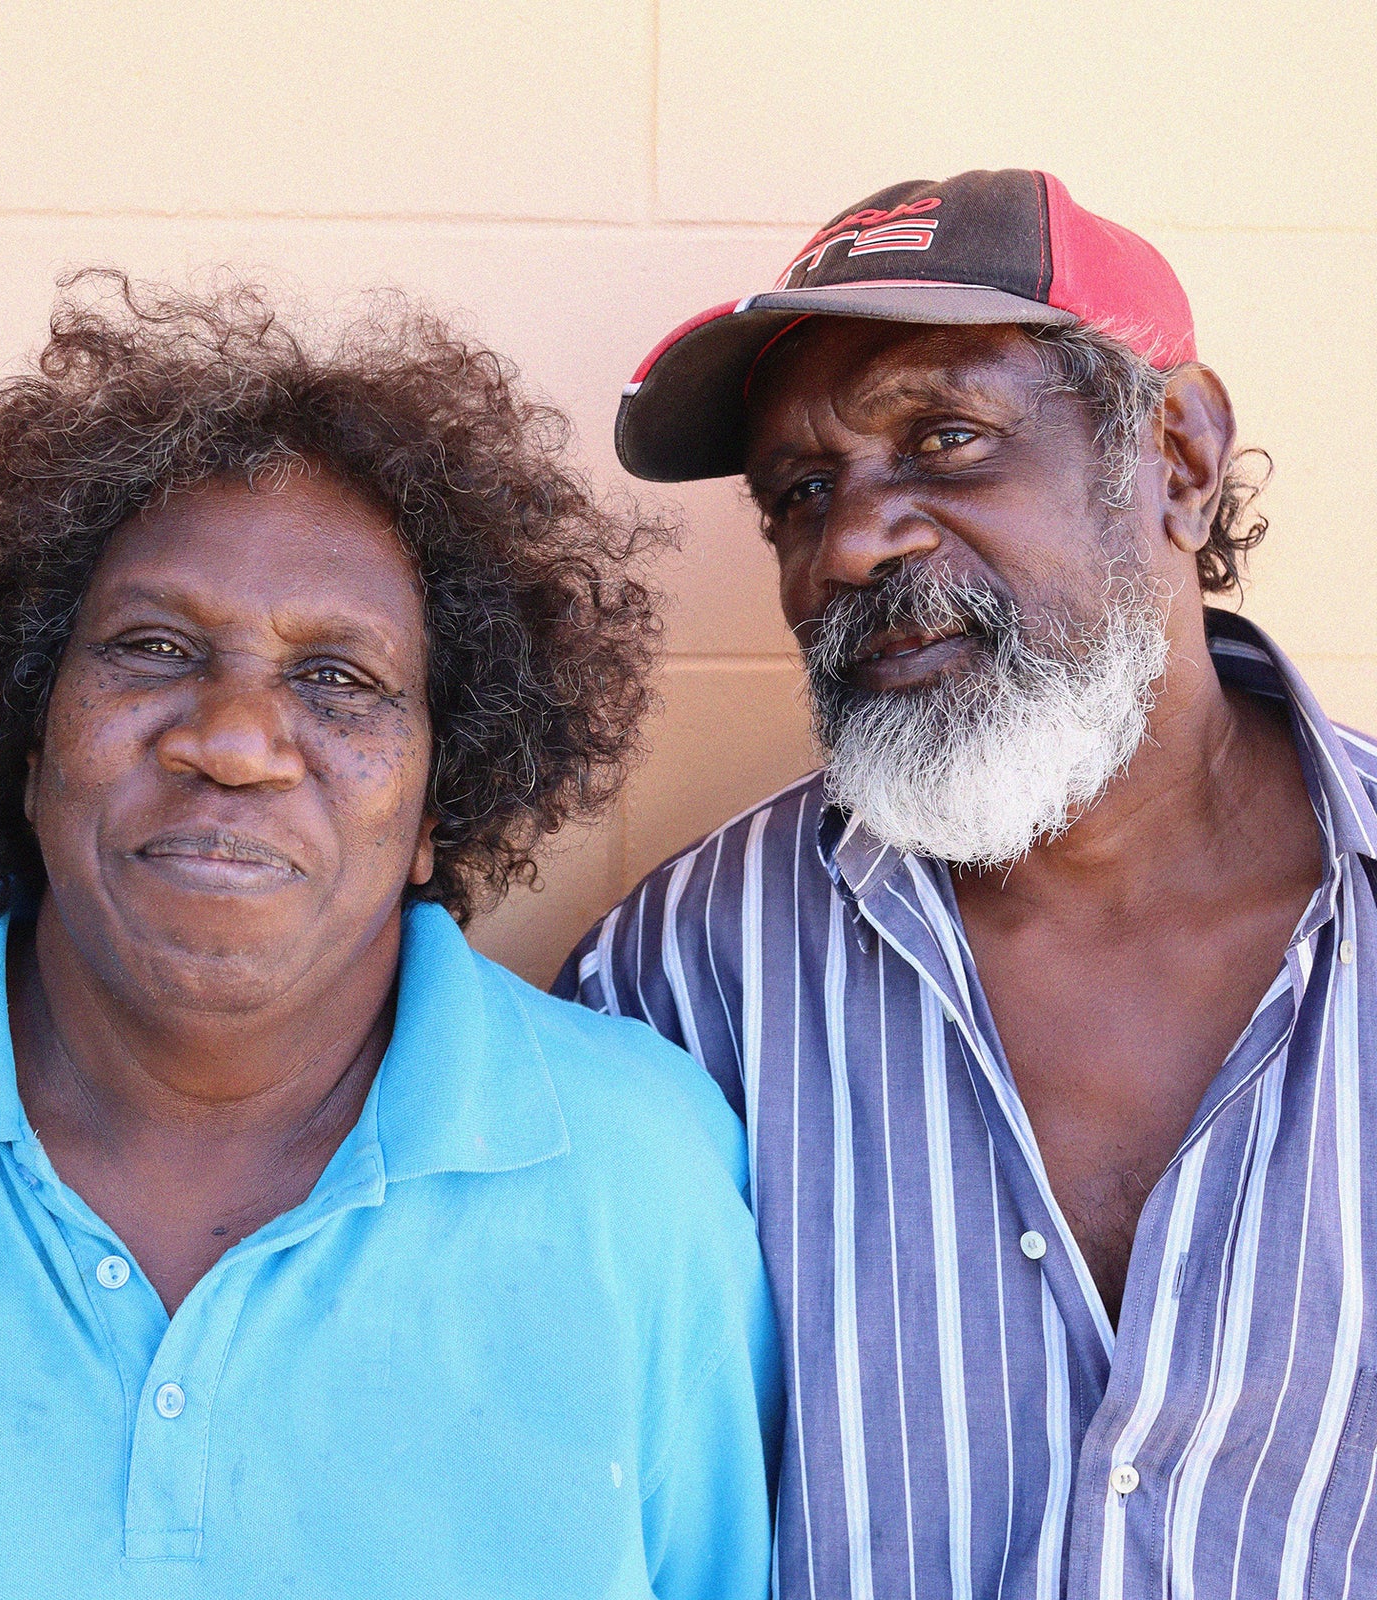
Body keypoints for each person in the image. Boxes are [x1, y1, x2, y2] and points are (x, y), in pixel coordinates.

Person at [0, 275, 781, 1598]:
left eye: (337, 680)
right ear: (28, 736)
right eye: (149, 648)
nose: (233, 742)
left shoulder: (641, 1183)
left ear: (443, 797)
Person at [558, 168, 1377, 1598]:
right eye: (802, 493)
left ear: (1179, 457)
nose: (855, 543)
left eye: (944, 438)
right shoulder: (685, 978)